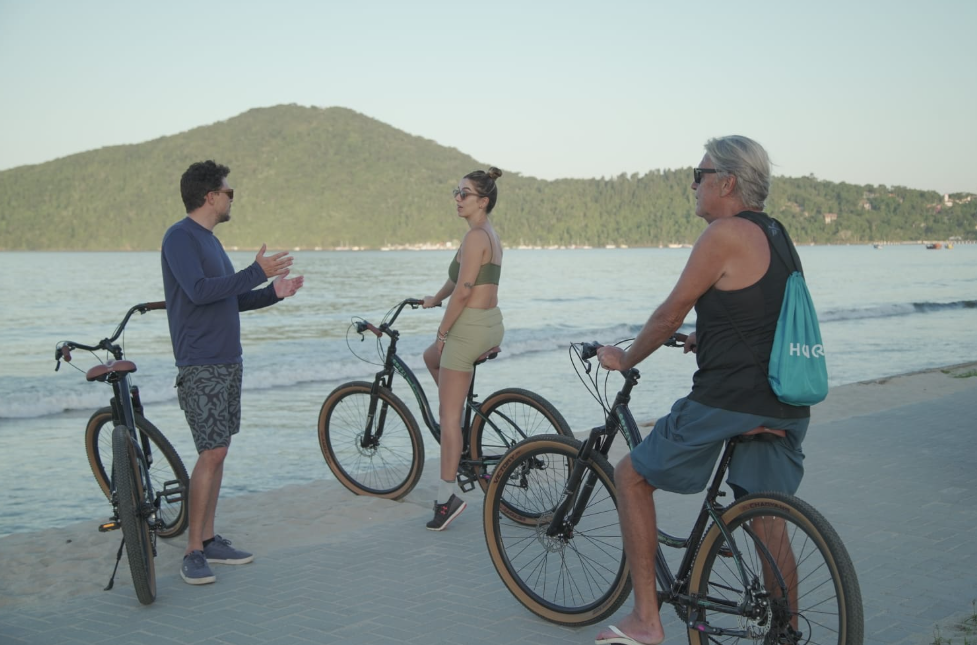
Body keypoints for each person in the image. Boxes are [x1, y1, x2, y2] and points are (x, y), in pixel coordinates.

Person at [593, 136, 810, 645]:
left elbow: (668, 313)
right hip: (785, 402)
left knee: (629, 476)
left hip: (729, 401)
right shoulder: (776, 234)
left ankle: (647, 621)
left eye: (700, 173)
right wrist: (707, 334)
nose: (694, 184)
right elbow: (765, 314)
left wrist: (624, 358)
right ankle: (788, 632)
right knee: (767, 521)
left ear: (727, 182)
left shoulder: (722, 234)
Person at [161, 160, 304, 585]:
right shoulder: (180, 238)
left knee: (220, 449)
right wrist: (256, 271)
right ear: (210, 196)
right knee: (212, 451)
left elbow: (231, 300)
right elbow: (199, 292)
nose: (230, 198)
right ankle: (192, 550)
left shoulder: (211, 242)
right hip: (200, 362)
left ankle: (207, 539)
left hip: (228, 360)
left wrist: (272, 292)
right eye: (229, 192)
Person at [420, 167, 505, 531]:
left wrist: (443, 331)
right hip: (491, 324)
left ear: (482, 201)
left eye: (465, 193)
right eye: (456, 191)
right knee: (429, 359)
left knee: (447, 418)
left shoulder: (474, 238)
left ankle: (446, 499)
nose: (457, 198)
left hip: (468, 328)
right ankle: (462, 438)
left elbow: (466, 290)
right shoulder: (485, 234)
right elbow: (456, 279)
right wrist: (434, 298)